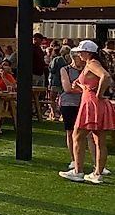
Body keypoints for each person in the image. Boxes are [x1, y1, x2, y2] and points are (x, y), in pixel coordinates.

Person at [59, 41, 114, 184]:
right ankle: (97, 174)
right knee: (99, 139)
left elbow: (105, 77)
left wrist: (98, 94)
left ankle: (78, 171)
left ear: (88, 53)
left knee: (77, 135)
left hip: (91, 103)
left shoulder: (91, 63)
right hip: (97, 103)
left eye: (81, 52)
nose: (78, 54)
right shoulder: (92, 64)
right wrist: (84, 87)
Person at [48, 45, 70, 120]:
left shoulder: (57, 59)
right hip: (65, 82)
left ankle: (53, 114)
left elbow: (52, 70)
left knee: (52, 99)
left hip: (55, 81)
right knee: (62, 99)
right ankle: (62, 115)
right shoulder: (69, 61)